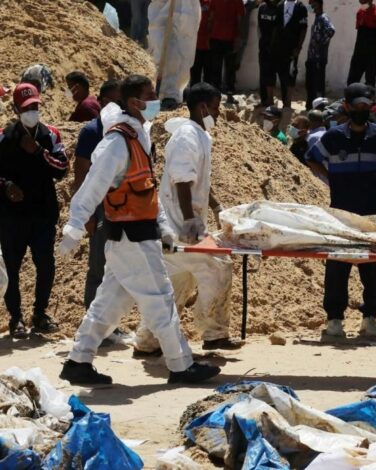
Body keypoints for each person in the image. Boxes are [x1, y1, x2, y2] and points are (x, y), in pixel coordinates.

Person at [57, 75, 220, 385]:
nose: (157, 101)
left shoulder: (138, 138)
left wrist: (164, 227)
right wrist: (74, 226)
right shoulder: (117, 143)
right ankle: (181, 365)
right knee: (161, 298)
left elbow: (146, 190)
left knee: (109, 303)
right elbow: (93, 184)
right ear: (134, 102)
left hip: (136, 235)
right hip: (131, 238)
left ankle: (78, 361)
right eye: (151, 96)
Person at [134, 82, 243, 355]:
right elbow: (182, 181)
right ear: (203, 107)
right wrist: (189, 221)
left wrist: (216, 207)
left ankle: (148, 340)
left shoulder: (199, 135)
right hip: (179, 225)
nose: (218, 114)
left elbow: (199, 180)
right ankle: (214, 334)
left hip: (177, 226)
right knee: (218, 266)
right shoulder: (187, 136)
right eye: (215, 108)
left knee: (176, 282)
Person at [305, 83, 376, 339]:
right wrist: (331, 178)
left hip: (373, 212)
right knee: (337, 264)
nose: (361, 110)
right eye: (357, 106)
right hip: (341, 212)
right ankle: (334, 318)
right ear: (346, 106)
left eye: (366, 106)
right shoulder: (333, 137)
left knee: (372, 266)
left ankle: (370, 317)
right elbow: (311, 158)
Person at [0, 84, 67, 338]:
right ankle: (15, 317)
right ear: (16, 109)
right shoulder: (4, 137)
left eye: (35, 106)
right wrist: (6, 185)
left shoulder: (51, 135)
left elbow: (62, 169)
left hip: (42, 213)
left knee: (46, 264)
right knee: (12, 267)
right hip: (12, 216)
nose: (32, 111)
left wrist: (38, 151)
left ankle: (40, 314)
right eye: (27, 108)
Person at [73, 80, 123, 312]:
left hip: (122, 206)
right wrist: (87, 214)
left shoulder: (124, 130)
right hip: (100, 207)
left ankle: (109, 322)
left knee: (118, 268)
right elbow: (81, 174)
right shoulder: (92, 132)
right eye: (113, 102)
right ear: (101, 102)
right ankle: (93, 321)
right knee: (98, 267)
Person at [149, 0, 201, 110]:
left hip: (186, 10)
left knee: (180, 53)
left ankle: (172, 93)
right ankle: (161, 91)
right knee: (161, 48)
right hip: (162, 9)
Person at [270, 0, 308, 107]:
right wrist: (272, 44)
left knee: (291, 74)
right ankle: (283, 101)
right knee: (281, 73)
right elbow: (275, 26)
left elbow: (303, 28)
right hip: (279, 47)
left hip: (292, 48)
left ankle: (288, 102)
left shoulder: (300, 7)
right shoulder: (280, 5)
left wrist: (298, 47)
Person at [346, 0, 376, 88]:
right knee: (351, 81)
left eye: (364, 2)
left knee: (370, 83)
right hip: (358, 52)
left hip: (372, 54)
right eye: (361, 2)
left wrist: (374, 42)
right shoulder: (360, 13)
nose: (362, 4)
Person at [207, 0, 244, 94]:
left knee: (220, 66)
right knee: (227, 66)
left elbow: (211, 16)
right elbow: (240, 18)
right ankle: (227, 88)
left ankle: (219, 89)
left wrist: (209, 33)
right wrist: (238, 35)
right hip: (226, 37)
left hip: (222, 37)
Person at [305, 0, 336, 110]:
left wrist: (320, 45)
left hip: (318, 58)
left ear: (317, 4)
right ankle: (310, 106)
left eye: (311, 3)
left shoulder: (323, 18)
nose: (309, 6)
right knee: (310, 84)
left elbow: (331, 31)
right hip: (312, 58)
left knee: (317, 85)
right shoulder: (317, 18)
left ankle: (319, 108)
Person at [191, 0, 213, 86]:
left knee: (208, 74)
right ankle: (194, 91)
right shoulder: (192, 4)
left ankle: (206, 91)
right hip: (194, 45)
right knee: (195, 74)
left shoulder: (210, 3)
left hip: (208, 45)